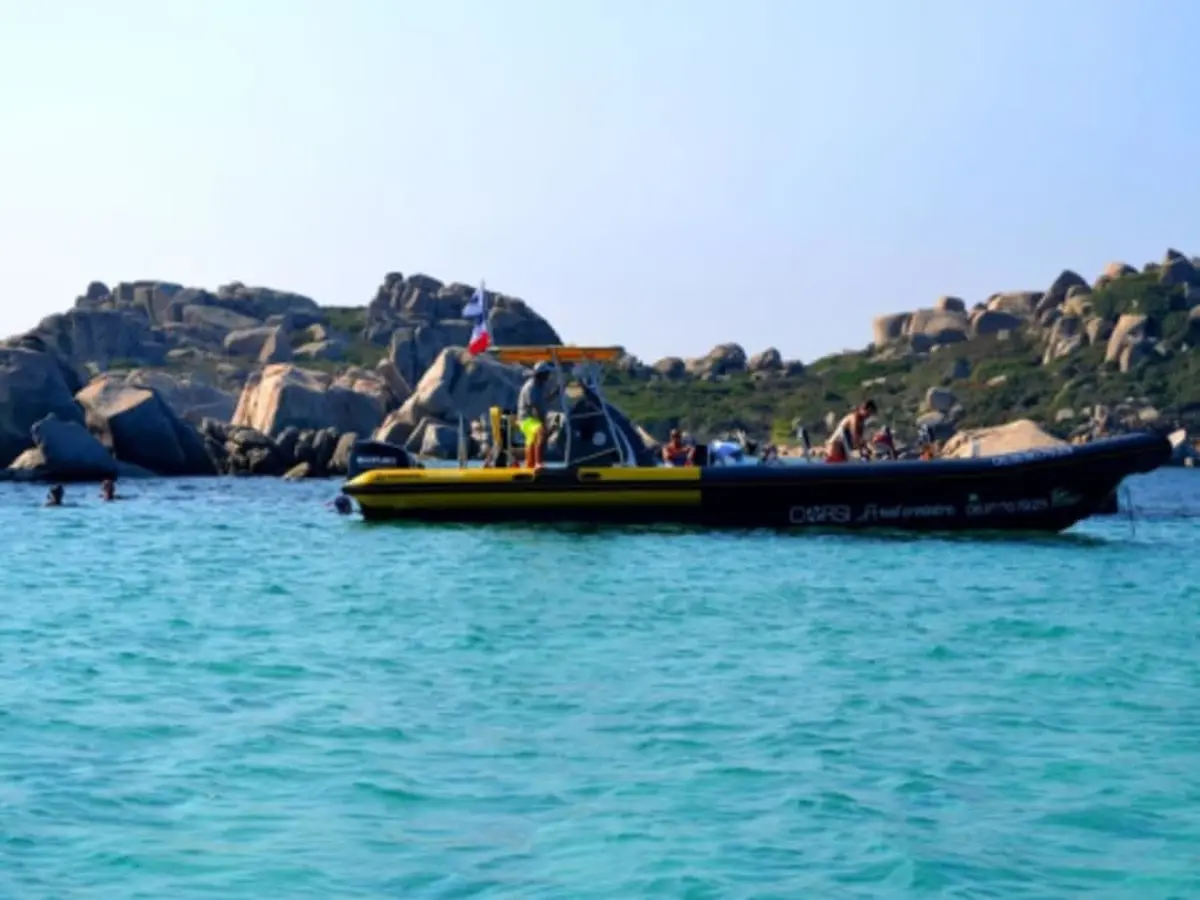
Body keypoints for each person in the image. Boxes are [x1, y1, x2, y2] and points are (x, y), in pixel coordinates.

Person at [517, 361, 554, 469]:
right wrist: (543, 424)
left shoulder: (540, 385)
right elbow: (535, 408)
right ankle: (538, 463)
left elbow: (542, 402)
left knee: (532, 438)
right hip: (526, 419)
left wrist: (555, 394)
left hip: (532, 419)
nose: (548, 375)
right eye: (547, 373)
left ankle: (530, 463)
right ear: (541, 374)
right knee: (540, 431)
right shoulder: (531, 387)